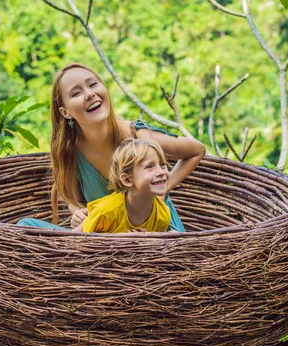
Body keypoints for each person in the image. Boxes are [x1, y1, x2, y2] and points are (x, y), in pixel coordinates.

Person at [17, 63, 205, 231]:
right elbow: (74, 200)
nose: (89, 94)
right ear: (65, 112)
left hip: (156, 236)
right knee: (25, 226)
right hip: (103, 241)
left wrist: (160, 190)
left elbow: (197, 150)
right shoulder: (70, 151)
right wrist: (78, 213)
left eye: (93, 84)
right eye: (76, 93)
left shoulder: (137, 137)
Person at [73, 139, 170, 233]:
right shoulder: (106, 212)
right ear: (127, 180)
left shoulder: (162, 216)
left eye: (162, 165)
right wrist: (121, 240)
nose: (161, 172)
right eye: (149, 166)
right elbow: (73, 239)